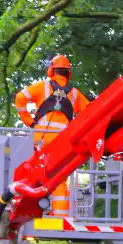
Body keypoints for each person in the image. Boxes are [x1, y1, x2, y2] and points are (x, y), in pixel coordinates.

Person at [14, 54, 92, 216]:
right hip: (63, 144)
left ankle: (28, 208)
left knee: (33, 175)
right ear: (68, 73)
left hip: (41, 142)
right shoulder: (75, 94)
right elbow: (90, 113)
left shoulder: (43, 87)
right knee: (59, 178)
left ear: (51, 70)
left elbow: (20, 98)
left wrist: (29, 121)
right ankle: (61, 214)